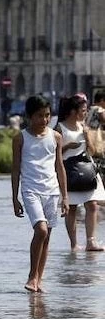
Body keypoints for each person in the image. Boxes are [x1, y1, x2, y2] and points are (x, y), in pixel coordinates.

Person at [12, 95, 68, 292]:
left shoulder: (56, 137)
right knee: (41, 230)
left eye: (47, 115)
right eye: (39, 116)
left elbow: (59, 166)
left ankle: (38, 279)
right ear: (29, 116)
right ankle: (31, 275)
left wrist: (65, 196)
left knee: (47, 237)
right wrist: (14, 198)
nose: (43, 120)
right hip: (30, 190)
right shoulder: (20, 138)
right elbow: (15, 169)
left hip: (52, 191)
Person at [55, 95, 105, 252]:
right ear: (73, 111)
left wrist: (87, 136)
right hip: (69, 171)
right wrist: (68, 146)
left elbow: (91, 150)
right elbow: (53, 153)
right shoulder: (60, 128)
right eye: (83, 110)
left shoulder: (83, 126)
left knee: (93, 204)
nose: (85, 113)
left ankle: (91, 241)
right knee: (72, 207)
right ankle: (74, 243)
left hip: (86, 168)